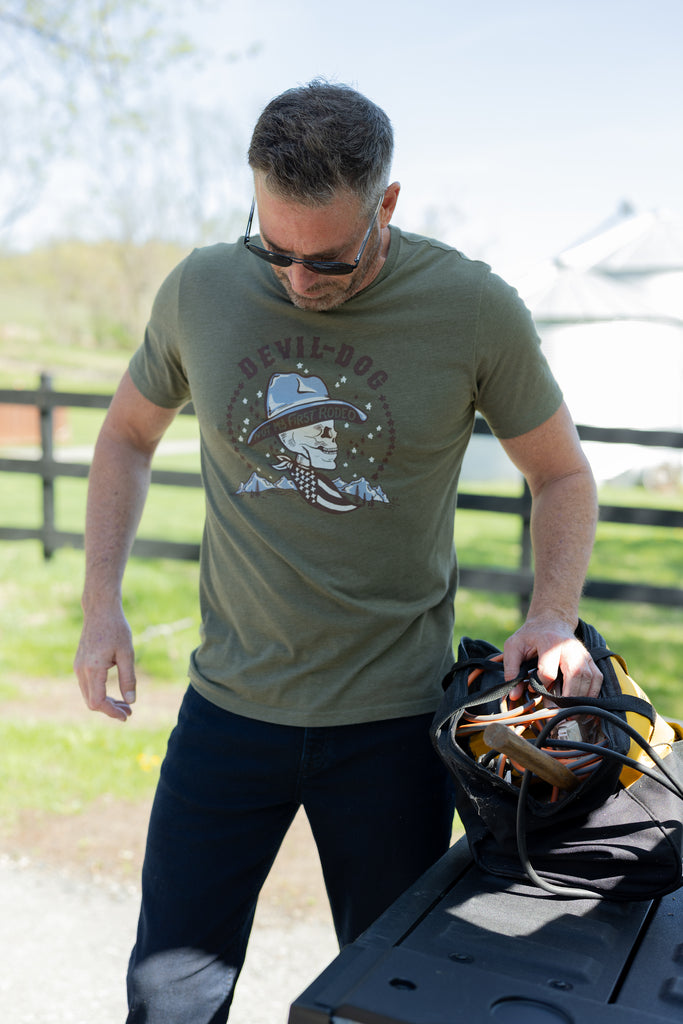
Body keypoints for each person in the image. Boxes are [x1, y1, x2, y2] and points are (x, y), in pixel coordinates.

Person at [74, 80, 603, 1023]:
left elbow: (560, 473)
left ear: (385, 205)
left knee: (387, 1005)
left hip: (390, 731)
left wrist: (552, 614)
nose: (296, 282)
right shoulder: (202, 288)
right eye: (274, 250)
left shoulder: (471, 308)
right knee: (166, 996)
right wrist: (99, 603)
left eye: (326, 260)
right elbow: (124, 436)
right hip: (228, 711)